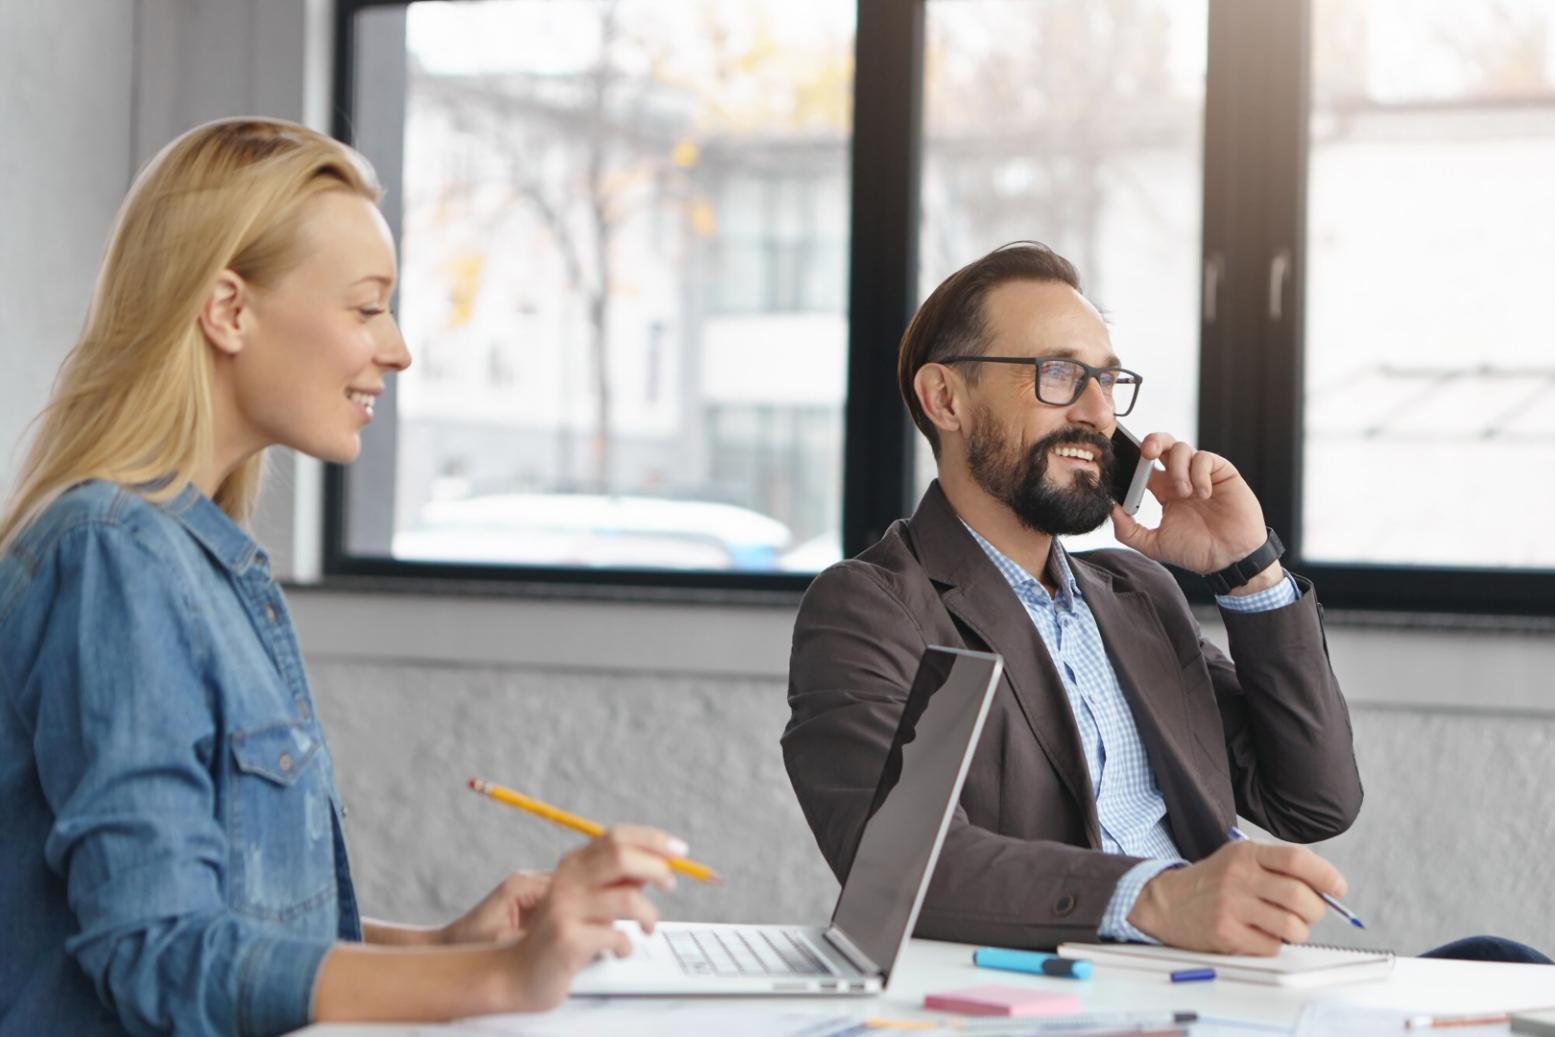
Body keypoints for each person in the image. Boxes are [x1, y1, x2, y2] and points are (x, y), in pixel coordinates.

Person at [0, 118, 686, 1036]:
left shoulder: (199, 564)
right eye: (366, 307)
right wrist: (497, 980)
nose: (397, 348)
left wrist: (451, 947)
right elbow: (157, 951)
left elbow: (238, 928)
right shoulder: (112, 559)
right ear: (228, 309)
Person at [783, 241, 1366, 955]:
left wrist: (1249, 571)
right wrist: (1154, 897)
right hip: (1070, 995)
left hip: (1218, 982)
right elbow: (899, 863)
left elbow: (1314, 800)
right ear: (945, 398)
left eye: (1108, 380)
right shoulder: (873, 609)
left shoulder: (1137, 594)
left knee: (1504, 959)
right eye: (1058, 373)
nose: (1096, 411)